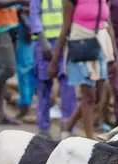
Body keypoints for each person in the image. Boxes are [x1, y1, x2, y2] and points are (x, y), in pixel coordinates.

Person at [48, 0, 118, 139]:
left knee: (99, 96)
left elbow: (108, 25)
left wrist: (115, 55)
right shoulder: (72, 2)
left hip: (99, 49)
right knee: (88, 96)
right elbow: (65, 29)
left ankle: (69, 123)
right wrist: (54, 61)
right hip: (80, 48)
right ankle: (90, 137)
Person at [29, 0, 78, 138]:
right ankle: (43, 128)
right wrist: (43, 42)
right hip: (44, 44)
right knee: (44, 86)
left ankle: (68, 127)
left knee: (68, 86)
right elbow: (35, 14)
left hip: (64, 41)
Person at [16, 7, 38, 121]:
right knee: (28, 71)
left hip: (29, 34)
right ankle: (25, 104)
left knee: (25, 71)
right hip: (30, 32)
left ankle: (25, 105)